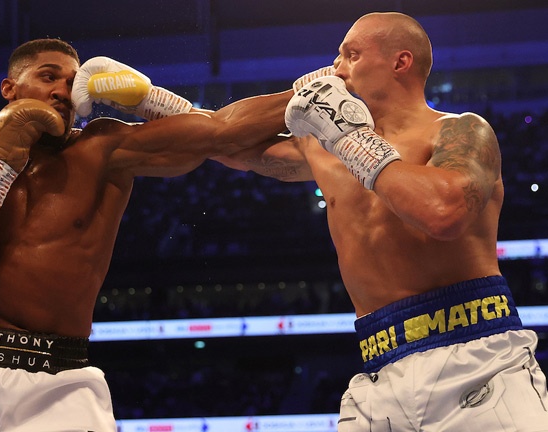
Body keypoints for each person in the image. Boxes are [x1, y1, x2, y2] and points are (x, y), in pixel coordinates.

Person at [0, 38, 294, 431]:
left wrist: (312, 89)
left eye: (72, 82)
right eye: (48, 76)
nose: (62, 90)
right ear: (10, 89)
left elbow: (219, 132)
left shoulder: (103, 149)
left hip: (62, 382)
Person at [216, 11, 548, 432]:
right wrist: (150, 101)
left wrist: (349, 138)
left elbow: (443, 213)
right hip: (379, 368)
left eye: (351, 55)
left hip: (478, 357)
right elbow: (226, 144)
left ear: (400, 63)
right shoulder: (320, 148)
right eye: (336, 58)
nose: (337, 69)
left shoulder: (461, 131)